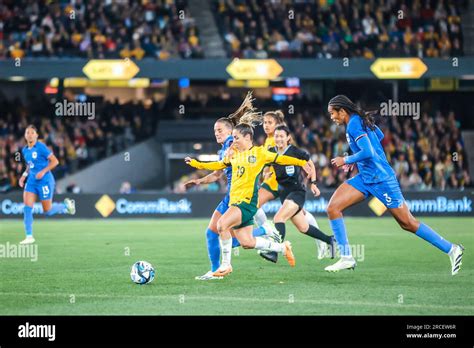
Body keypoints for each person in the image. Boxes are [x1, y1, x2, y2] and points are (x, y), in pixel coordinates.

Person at [325, 95, 464, 275]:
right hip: (365, 178)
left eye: (332, 113)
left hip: (382, 179)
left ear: (342, 111)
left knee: (408, 223)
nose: (331, 117)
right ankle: (346, 258)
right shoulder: (357, 121)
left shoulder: (353, 123)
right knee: (333, 208)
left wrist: (346, 159)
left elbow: (368, 151)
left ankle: (452, 249)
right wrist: (355, 160)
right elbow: (379, 136)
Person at [185, 112, 313, 276]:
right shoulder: (234, 155)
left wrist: (302, 163)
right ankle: (282, 247)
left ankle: (225, 265)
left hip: (245, 203)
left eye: (236, 138)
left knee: (221, 225)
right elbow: (218, 165)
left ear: (247, 137)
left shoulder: (260, 153)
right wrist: (196, 164)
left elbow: (281, 159)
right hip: (235, 202)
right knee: (247, 242)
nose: (233, 142)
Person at [184, 93, 278, 280]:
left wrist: (231, 146)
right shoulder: (225, 149)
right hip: (233, 196)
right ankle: (268, 235)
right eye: (215, 131)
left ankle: (219, 268)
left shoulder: (231, 144)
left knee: (220, 233)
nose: (216, 133)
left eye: (220, 130)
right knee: (230, 237)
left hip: (237, 197)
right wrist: (199, 181)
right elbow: (218, 173)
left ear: (230, 133)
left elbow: (239, 151)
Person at [259, 125, 336, 263]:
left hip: (296, 193)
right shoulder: (271, 151)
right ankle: (330, 240)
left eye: (282, 136)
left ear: (288, 137)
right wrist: (266, 173)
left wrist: (313, 182)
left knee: (278, 218)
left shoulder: (295, 151)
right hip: (284, 194)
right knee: (303, 227)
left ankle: (274, 252)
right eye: (276, 136)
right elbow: (265, 167)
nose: (278, 139)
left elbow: (310, 164)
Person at [255, 110, 323, 257]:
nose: (266, 125)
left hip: (276, 184)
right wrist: (266, 170)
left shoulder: (277, 139)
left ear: (278, 125)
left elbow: (291, 157)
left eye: (269, 123)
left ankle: (269, 239)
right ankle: (324, 241)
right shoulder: (268, 141)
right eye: (264, 122)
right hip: (278, 183)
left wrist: (313, 179)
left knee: (254, 205)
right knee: (302, 220)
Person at [19, 125, 75, 244]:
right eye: (27, 132)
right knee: (27, 208)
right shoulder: (24, 150)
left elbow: (55, 161)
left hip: (45, 181)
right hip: (32, 181)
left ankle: (66, 206)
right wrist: (24, 175)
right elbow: (30, 165)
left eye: (32, 132)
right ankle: (29, 236)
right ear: (25, 135)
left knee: (48, 211)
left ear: (36, 135)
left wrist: (43, 171)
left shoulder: (41, 147)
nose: (29, 134)